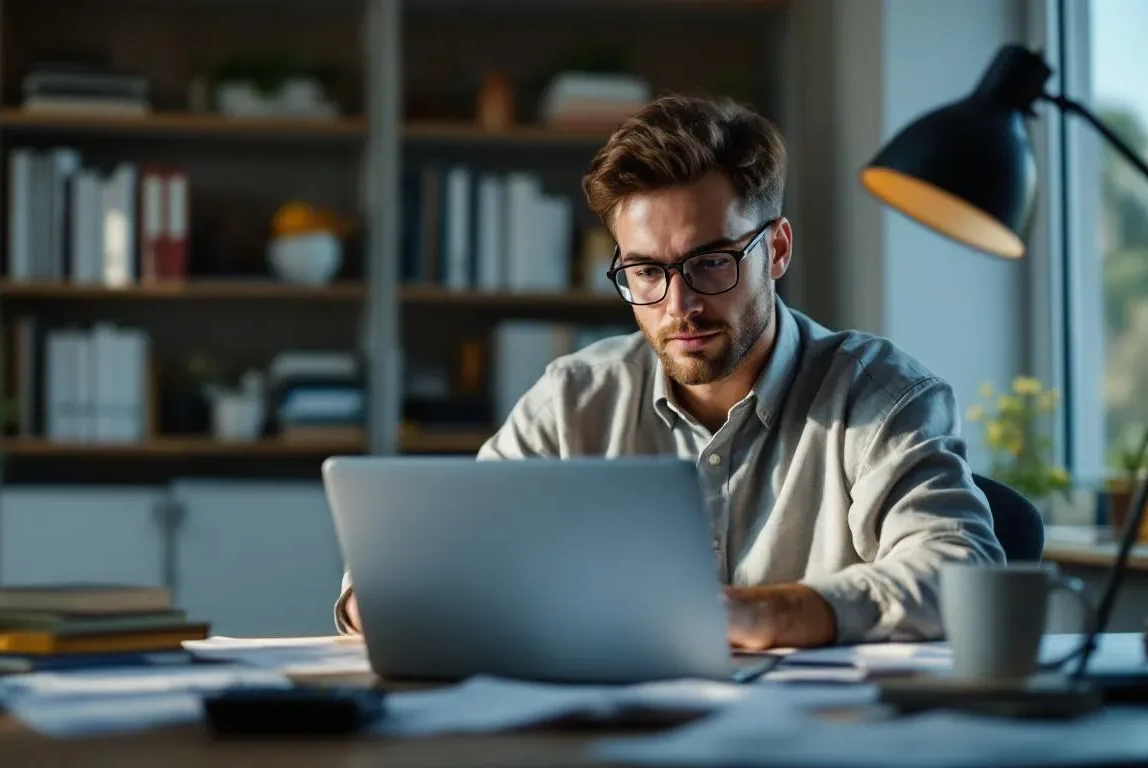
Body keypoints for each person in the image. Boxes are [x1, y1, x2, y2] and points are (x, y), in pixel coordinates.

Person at [335, 94, 1005, 649]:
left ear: (775, 249)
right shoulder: (571, 400)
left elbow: (962, 569)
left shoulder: (880, 396)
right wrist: (390, 596)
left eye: (711, 262)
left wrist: (765, 614)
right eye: (646, 272)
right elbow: (436, 561)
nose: (678, 305)